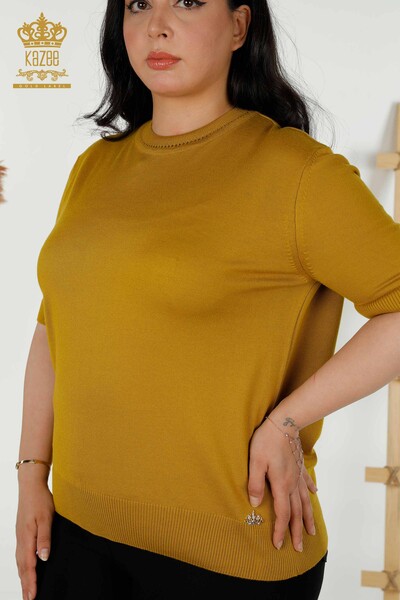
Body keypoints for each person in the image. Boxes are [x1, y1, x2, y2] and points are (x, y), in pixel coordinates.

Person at [15, 0, 400, 598]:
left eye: (189, 2)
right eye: (139, 5)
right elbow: (53, 329)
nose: (157, 25)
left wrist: (288, 421)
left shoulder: (297, 173)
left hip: (229, 555)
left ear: (240, 26)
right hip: (76, 533)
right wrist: (30, 477)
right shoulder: (95, 168)